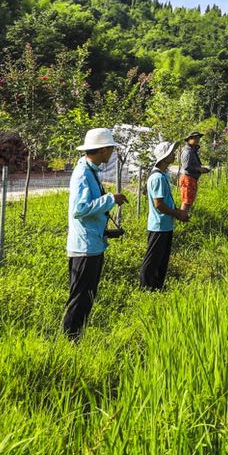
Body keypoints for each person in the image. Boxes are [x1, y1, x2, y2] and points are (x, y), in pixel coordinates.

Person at [64, 127, 128, 341]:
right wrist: (111, 199)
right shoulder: (83, 173)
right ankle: (70, 340)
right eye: (110, 148)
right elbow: (80, 209)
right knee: (80, 297)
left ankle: (76, 337)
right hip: (84, 247)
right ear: (102, 150)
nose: (111, 153)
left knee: (87, 296)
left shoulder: (91, 171)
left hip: (93, 243)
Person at [140, 140, 191, 290]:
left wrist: (178, 213)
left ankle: (157, 287)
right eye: (172, 153)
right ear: (165, 156)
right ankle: (146, 288)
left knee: (161, 259)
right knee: (153, 259)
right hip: (159, 226)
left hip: (165, 225)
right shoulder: (157, 178)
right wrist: (178, 214)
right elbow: (159, 204)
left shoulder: (162, 176)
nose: (174, 155)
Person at [178, 130, 212, 212]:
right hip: (187, 178)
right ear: (189, 139)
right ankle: (182, 217)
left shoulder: (192, 150)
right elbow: (186, 166)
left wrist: (201, 169)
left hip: (191, 178)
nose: (197, 139)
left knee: (189, 200)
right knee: (186, 201)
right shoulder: (187, 151)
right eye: (195, 137)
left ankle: (185, 217)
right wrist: (199, 169)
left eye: (198, 137)